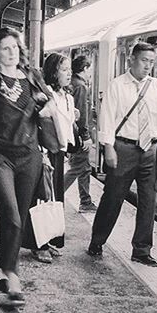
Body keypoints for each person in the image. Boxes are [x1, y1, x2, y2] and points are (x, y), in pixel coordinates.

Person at [0, 27, 52, 307]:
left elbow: (50, 107)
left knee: (15, 218)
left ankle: (2, 268)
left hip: (29, 157)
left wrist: (47, 107)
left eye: (15, 47)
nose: (12, 52)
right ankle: (12, 274)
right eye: (5, 48)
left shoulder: (33, 77)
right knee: (12, 216)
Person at [88, 41, 157, 266]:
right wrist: (108, 147)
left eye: (152, 62)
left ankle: (142, 250)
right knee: (112, 198)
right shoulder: (117, 86)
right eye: (145, 61)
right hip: (123, 148)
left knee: (148, 202)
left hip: (151, 150)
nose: (149, 67)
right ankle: (97, 240)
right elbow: (106, 116)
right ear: (132, 60)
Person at [36, 52, 76, 261]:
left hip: (59, 152)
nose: (68, 74)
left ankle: (49, 239)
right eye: (63, 70)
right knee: (42, 197)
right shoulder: (46, 94)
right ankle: (39, 244)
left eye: (69, 70)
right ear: (53, 72)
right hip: (46, 151)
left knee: (55, 197)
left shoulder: (65, 96)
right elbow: (40, 120)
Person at [63, 54, 97, 213]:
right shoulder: (81, 86)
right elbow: (82, 113)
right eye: (90, 69)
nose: (91, 73)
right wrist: (86, 137)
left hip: (72, 133)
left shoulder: (72, 84)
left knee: (84, 168)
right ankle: (55, 195)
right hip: (80, 135)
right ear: (84, 69)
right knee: (77, 168)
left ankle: (86, 200)